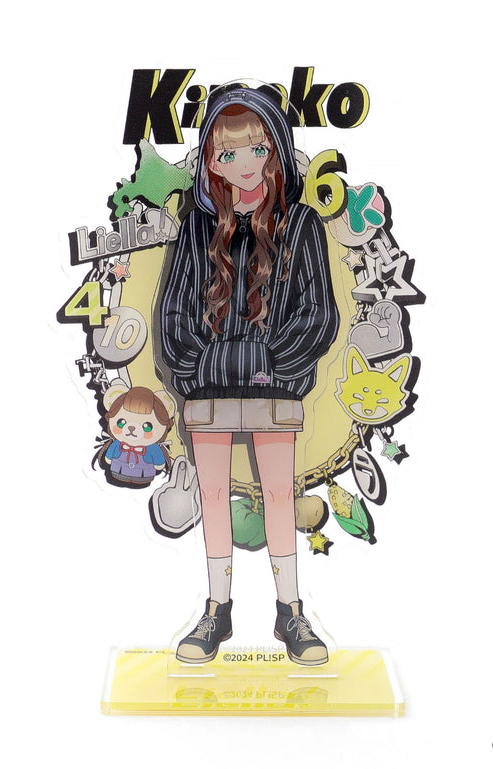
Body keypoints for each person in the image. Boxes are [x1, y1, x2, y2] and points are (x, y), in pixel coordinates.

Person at [160, 87, 339, 665]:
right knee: (213, 496)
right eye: (228, 153)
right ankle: (217, 609)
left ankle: (291, 611)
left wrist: (268, 364)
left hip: (275, 392)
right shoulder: (196, 228)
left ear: (275, 152)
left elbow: (319, 314)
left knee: (280, 496)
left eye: (257, 150)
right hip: (208, 395)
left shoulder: (301, 224)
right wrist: (204, 367)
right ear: (211, 161)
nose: (244, 165)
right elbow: (173, 316)